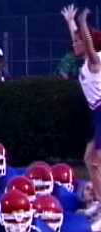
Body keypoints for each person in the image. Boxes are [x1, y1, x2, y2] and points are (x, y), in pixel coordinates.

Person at [62, 5, 101, 202]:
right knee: (89, 160)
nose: (74, 44)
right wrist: (71, 22)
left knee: (97, 162)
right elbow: (81, 42)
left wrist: (83, 22)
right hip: (97, 116)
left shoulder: (95, 62)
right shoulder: (87, 62)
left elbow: (87, 43)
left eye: (78, 41)